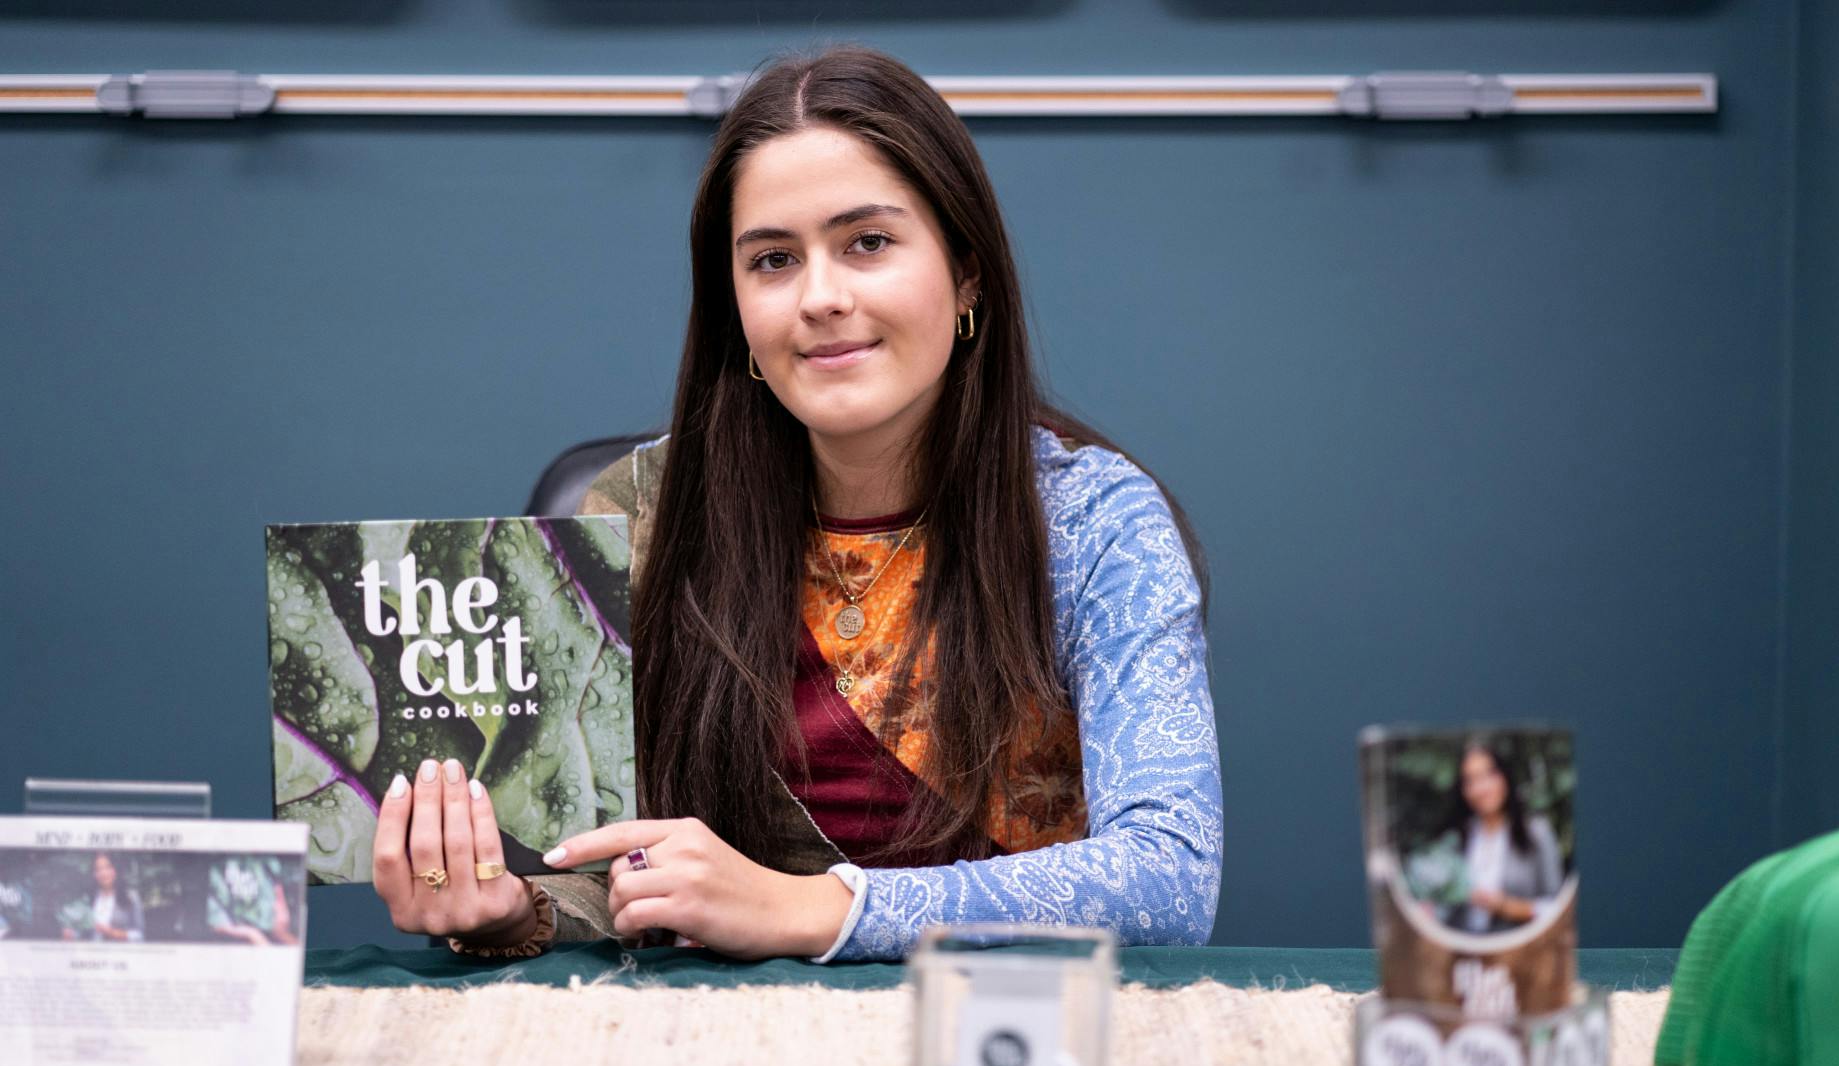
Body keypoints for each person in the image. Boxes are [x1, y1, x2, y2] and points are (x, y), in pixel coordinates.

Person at [367, 45, 1222, 962]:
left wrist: (815, 910)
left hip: (1007, 1045)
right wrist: (513, 906)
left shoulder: (1098, 525)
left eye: (868, 243)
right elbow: (609, 867)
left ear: (967, 274)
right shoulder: (640, 513)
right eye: (773, 260)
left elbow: (1169, 877)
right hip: (717, 1053)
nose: (820, 297)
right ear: (733, 304)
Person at [1437, 744, 1564, 935]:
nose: (1481, 788)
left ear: (1504, 777)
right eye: (1470, 781)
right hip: (1463, 952)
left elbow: (1557, 910)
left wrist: (1506, 906)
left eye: (1488, 774)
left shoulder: (1536, 832)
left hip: (1517, 952)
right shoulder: (1457, 837)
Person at [61, 852, 145, 943]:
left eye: (108, 867)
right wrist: (71, 934)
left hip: (120, 955)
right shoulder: (89, 898)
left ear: (115, 870)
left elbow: (139, 935)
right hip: (92, 955)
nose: (103, 873)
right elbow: (81, 932)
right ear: (94, 874)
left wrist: (112, 933)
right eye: (98, 869)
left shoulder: (131, 897)